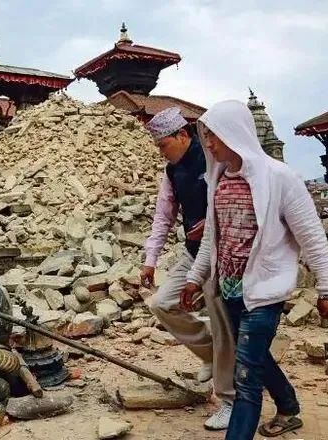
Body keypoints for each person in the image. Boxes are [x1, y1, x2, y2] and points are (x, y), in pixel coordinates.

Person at [180, 100, 328, 439]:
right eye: (206, 136)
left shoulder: (280, 178)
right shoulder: (218, 179)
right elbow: (213, 236)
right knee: (254, 357)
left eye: (213, 136)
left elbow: (311, 237)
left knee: (246, 379)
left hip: (265, 291)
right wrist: (195, 278)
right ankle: (288, 407)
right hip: (230, 291)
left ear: (233, 133)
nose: (208, 144)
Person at [140, 107, 236, 430]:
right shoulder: (171, 172)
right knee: (162, 303)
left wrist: (212, 221)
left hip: (221, 255)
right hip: (193, 252)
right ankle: (210, 353)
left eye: (163, 145)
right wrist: (150, 260)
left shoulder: (212, 158)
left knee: (222, 323)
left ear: (182, 135)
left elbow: (235, 198)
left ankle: (229, 400)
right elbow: (163, 218)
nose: (161, 152)